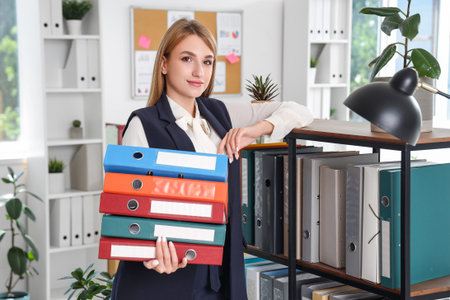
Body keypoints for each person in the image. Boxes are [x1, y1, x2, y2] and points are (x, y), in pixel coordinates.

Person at [112, 19, 313, 299]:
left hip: (221, 267)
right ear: (164, 64)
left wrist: (254, 130)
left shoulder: (219, 112)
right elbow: (130, 212)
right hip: (167, 273)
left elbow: (298, 111)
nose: (199, 72)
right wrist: (152, 257)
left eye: (207, 62)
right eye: (187, 59)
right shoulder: (143, 124)